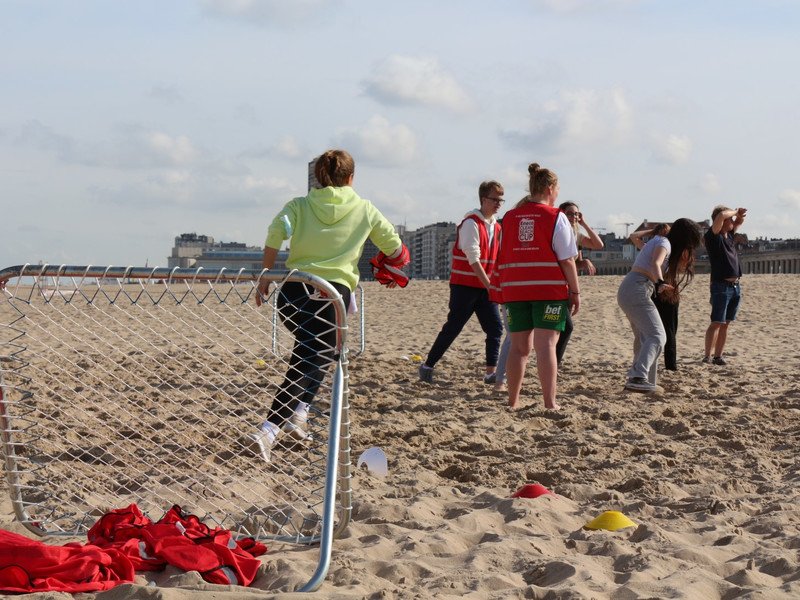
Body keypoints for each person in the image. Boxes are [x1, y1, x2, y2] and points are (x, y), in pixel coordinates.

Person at [252, 149, 408, 462]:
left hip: (294, 292)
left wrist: (265, 274)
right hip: (332, 296)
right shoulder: (364, 209)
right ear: (351, 177)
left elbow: (275, 232)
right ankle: (269, 429)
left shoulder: (299, 205)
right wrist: (392, 263)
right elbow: (394, 247)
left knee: (319, 353)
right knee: (311, 357)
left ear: (319, 177)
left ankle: (299, 414)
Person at [496, 164, 579, 410]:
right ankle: (550, 403)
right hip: (547, 289)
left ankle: (513, 401)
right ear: (550, 188)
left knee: (519, 348)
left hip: (514, 289)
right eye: (557, 189)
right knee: (546, 346)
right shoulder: (556, 217)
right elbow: (567, 259)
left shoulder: (509, 217)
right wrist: (575, 291)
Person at [419, 181, 504, 385]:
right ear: (483, 199)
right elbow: (473, 258)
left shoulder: (497, 227)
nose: (498, 203)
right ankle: (428, 365)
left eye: (501, 200)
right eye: (495, 199)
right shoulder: (470, 223)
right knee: (453, 327)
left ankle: (490, 373)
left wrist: (494, 284)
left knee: (495, 328)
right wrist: (490, 285)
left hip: (485, 287)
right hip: (464, 287)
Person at [617, 218, 702, 392]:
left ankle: (644, 381)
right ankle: (638, 377)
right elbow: (656, 263)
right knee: (657, 336)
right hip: (637, 288)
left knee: (645, 338)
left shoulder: (659, 242)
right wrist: (660, 282)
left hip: (631, 288)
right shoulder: (664, 243)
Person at [554, 201, 604, 366]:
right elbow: (564, 262)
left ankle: (554, 364)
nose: (574, 217)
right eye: (570, 213)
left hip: (569, 286)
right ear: (562, 214)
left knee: (562, 328)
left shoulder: (576, 234)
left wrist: (584, 223)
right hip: (556, 286)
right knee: (565, 327)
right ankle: (554, 364)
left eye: (576, 214)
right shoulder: (558, 232)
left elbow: (599, 245)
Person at [629, 223, 682, 371]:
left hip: (661, 287)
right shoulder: (656, 246)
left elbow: (634, 236)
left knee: (663, 329)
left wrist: (654, 232)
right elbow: (633, 236)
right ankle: (666, 365)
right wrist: (654, 231)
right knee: (664, 329)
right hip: (658, 286)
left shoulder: (660, 248)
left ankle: (666, 364)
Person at [703, 206, 747, 365]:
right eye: (730, 219)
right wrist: (734, 211)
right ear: (720, 221)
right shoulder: (713, 237)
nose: (732, 221)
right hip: (721, 286)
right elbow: (722, 214)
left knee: (726, 323)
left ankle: (718, 356)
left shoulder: (729, 236)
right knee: (716, 322)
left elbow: (739, 222)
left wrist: (739, 216)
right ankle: (707, 356)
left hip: (735, 286)